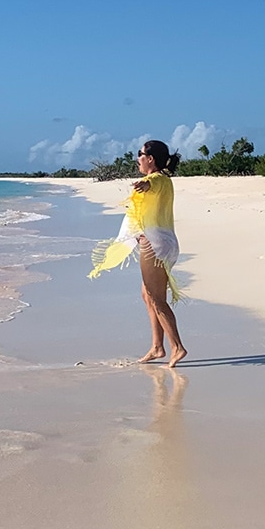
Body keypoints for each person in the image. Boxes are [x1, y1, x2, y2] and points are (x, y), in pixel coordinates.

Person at [88, 139, 188, 371]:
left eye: (140, 154)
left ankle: (177, 347)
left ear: (150, 159)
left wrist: (144, 185)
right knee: (147, 294)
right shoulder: (164, 179)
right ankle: (157, 347)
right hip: (163, 243)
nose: (138, 159)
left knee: (156, 297)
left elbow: (151, 183)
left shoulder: (157, 179)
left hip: (155, 245)